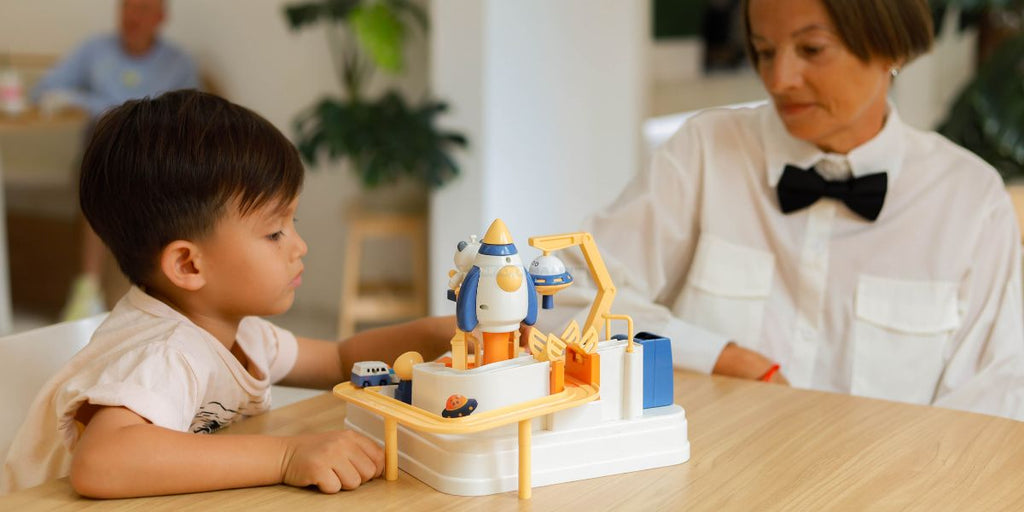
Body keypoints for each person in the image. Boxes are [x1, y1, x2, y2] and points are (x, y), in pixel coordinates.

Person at [537, 0, 1024, 419]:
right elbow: (569, 298)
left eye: (812, 49)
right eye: (765, 51)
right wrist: (721, 358)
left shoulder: (970, 202)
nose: (778, 78)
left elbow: (990, 407)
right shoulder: (706, 151)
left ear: (891, 48)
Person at [0, 90, 455, 497]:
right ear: (188, 265)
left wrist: (441, 333)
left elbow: (340, 361)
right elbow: (102, 463)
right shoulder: (165, 352)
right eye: (275, 233)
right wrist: (286, 457)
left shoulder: (237, 331)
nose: (300, 246)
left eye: (292, 224)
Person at [31, 0, 200, 321]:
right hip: (99, 159)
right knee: (104, 172)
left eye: (142, 9)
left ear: (160, 17)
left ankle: (125, 295)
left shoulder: (178, 63)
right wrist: (100, 107)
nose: (131, 16)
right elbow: (44, 90)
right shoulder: (94, 51)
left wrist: (110, 108)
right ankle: (89, 289)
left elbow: (194, 116)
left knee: (122, 177)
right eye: (126, 7)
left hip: (155, 165)